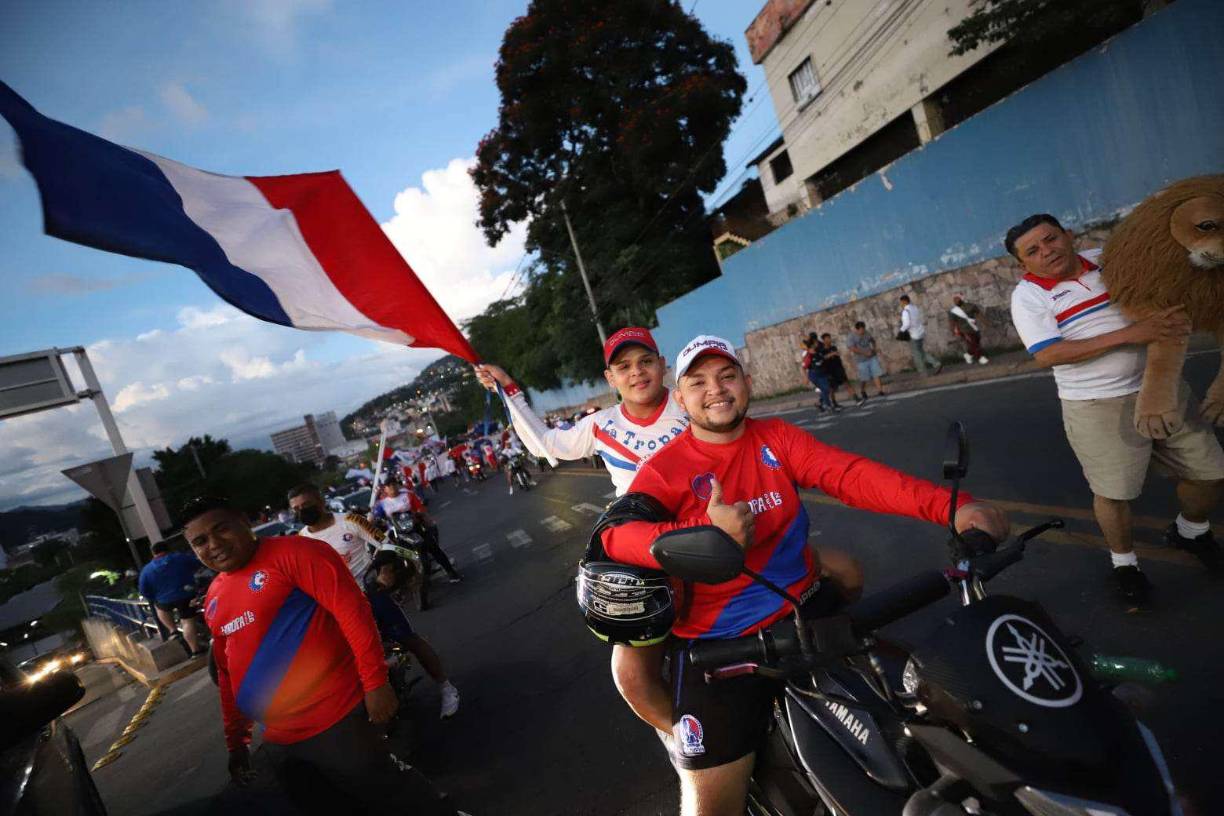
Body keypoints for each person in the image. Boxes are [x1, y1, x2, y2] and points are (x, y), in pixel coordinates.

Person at [601, 335, 1008, 816]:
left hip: (806, 612)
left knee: (941, 712)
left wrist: (954, 508)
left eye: (727, 376)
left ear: (747, 382)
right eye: (699, 381)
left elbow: (852, 476)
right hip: (722, 648)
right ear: (682, 395)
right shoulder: (665, 469)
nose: (717, 389)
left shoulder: (777, 437)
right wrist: (701, 533)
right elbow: (613, 538)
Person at [181, 496, 463, 815]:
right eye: (200, 541)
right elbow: (227, 672)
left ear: (244, 522)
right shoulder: (215, 595)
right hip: (278, 735)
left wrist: (376, 685)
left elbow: (354, 615)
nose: (214, 544)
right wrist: (237, 741)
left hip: (334, 718)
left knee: (391, 793)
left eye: (222, 529)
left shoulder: (297, 552)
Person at [475, 327, 688, 738]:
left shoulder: (687, 403)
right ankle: (688, 747)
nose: (637, 373)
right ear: (611, 379)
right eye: (624, 366)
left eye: (646, 362)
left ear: (663, 365)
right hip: (647, 556)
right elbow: (543, 444)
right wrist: (509, 389)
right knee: (630, 677)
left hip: (710, 538)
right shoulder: (600, 425)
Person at [1007, 213, 1224, 603]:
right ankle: (1125, 564)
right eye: (1033, 251)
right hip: (1096, 405)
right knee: (1115, 494)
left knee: (1211, 473)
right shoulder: (1029, 296)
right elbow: (1048, 353)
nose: (1047, 251)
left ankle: (1191, 531)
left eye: (1051, 239)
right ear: (1024, 264)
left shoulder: (1111, 259)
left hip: (1163, 387)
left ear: (1068, 235)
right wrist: (1132, 334)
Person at [365, 551, 461, 719]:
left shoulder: (354, 523)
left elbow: (386, 542)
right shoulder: (306, 538)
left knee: (409, 640)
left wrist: (386, 570)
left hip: (373, 597)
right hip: (343, 610)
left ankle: (446, 688)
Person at [373, 482, 463, 587]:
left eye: (393, 484)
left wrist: (420, 515)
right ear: (385, 489)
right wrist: (376, 521)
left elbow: (420, 508)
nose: (392, 487)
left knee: (434, 548)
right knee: (388, 552)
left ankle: (452, 573)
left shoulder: (407, 495)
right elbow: (374, 517)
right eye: (388, 485)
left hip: (415, 528)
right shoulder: (382, 504)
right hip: (398, 533)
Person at [288, 483, 382, 583]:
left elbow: (387, 544)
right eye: (296, 509)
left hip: (371, 588)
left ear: (321, 501)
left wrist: (385, 569)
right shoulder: (301, 541)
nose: (302, 510)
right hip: (340, 597)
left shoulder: (352, 520)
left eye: (306, 504)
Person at [137, 541, 205, 657]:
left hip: (164, 601)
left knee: (159, 607)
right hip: (186, 595)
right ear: (168, 549)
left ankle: (172, 630)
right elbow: (198, 564)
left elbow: (144, 590)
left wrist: (155, 597)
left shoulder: (147, 570)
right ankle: (195, 650)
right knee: (187, 621)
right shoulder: (180, 557)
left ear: (153, 553)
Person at [899, 294, 942, 375]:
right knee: (921, 352)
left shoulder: (905, 311)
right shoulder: (914, 308)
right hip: (920, 332)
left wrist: (901, 331)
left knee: (917, 355)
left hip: (913, 335)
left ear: (904, 301)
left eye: (901, 302)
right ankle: (936, 363)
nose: (900, 304)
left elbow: (907, 324)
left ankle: (923, 372)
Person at [846, 321, 885, 403]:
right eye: (861, 330)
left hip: (871, 357)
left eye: (863, 329)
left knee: (876, 373)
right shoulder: (851, 337)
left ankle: (880, 391)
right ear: (857, 329)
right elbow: (852, 348)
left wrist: (874, 349)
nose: (862, 332)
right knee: (864, 378)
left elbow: (872, 340)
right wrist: (864, 353)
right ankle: (862, 390)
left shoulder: (867, 333)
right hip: (861, 360)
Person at [800, 334, 836, 413]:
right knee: (825, 389)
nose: (818, 344)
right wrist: (806, 378)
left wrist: (832, 354)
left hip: (822, 374)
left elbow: (823, 357)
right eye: (816, 343)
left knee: (827, 390)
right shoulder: (808, 355)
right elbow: (803, 367)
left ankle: (820, 404)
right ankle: (828, 406)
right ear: (812, 345)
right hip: (814, 375)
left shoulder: (818, 352)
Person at [948, 294, 989, 365]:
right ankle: (980, 358)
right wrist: (952, 331)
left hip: (973, 327)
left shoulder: (971, 306)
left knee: (976, 342)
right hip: (963, 330)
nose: (955, 301)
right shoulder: (953, 311)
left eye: (957, 299)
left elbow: (979, 314)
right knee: (974, 343)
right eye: (954, 300)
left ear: (961, 299)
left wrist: (985, 322)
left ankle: (968, 355)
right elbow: (952, 322)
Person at [819, 332, 856, 408]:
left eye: (829, 338)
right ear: (823, 340)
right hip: (830, 371)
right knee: (833, 388)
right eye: (827, 339)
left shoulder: (833, 347)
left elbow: (837, 355)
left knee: (847, 383)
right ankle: (834, 402)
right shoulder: (822, 350)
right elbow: (823, 358)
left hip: (838, 369)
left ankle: (856, 398)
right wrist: (831, 354)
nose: (829, 340)